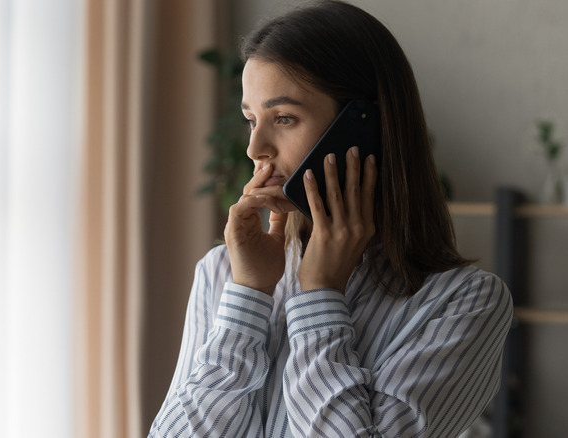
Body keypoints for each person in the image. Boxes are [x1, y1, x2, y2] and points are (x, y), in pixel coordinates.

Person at [149, 1, 513, 437]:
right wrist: (248, 295)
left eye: (284, 118)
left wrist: (320, 296)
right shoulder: (224, 274)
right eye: (251, 120)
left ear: (363, 127)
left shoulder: (464, 303)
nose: (255, 148)